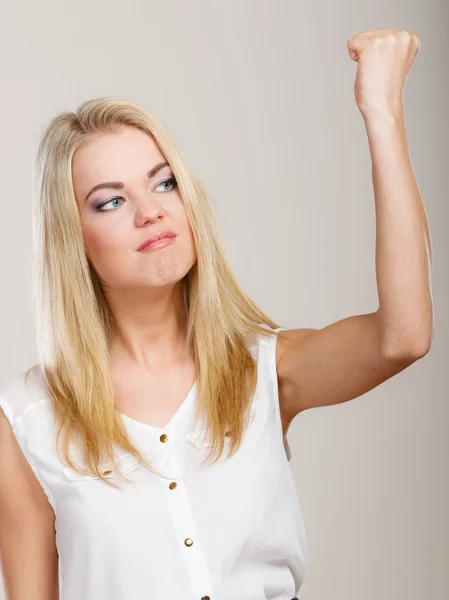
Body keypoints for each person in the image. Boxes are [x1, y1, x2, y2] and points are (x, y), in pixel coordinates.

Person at [0, 60, 433, 600]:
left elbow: (404, 336)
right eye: (111, 201)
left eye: (164, 183)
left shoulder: (262, 368)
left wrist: (383, 113)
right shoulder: (26, 420)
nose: (151, 212)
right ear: (73, 238)